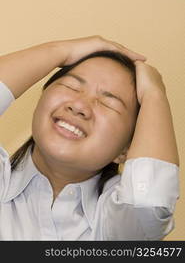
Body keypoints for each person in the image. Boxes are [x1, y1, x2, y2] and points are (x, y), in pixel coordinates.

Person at [0, 35, 179, 240]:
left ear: (126, 151)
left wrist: (154, 95)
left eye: (108, 103)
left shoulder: (118, 227)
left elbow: (148, 202)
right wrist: (59, 50)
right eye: (71, 86)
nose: (79, 106)